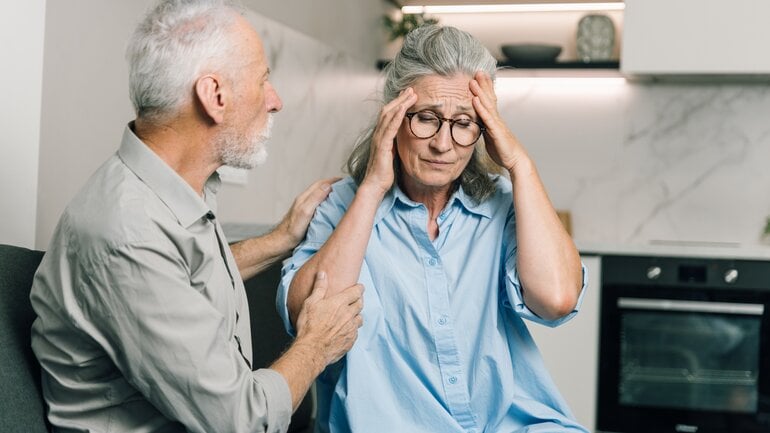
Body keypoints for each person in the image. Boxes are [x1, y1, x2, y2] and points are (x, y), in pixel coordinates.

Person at [30, 1, 363, 432]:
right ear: (215, 96)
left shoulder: (161, 193)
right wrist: (317, 343)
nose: (275, 101)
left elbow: (180, 282)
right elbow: (243, 422)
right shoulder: (126, 233)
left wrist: (281, 238)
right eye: (264, 80)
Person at [278, 24, 588, 432]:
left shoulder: (502, 201)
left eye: (464, 123)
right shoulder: (342, 205)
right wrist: (372, 187)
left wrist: (519, 164)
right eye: (426, 118)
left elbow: (557, 298)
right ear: (392, 115)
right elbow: (311, 316)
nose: (444, 144)